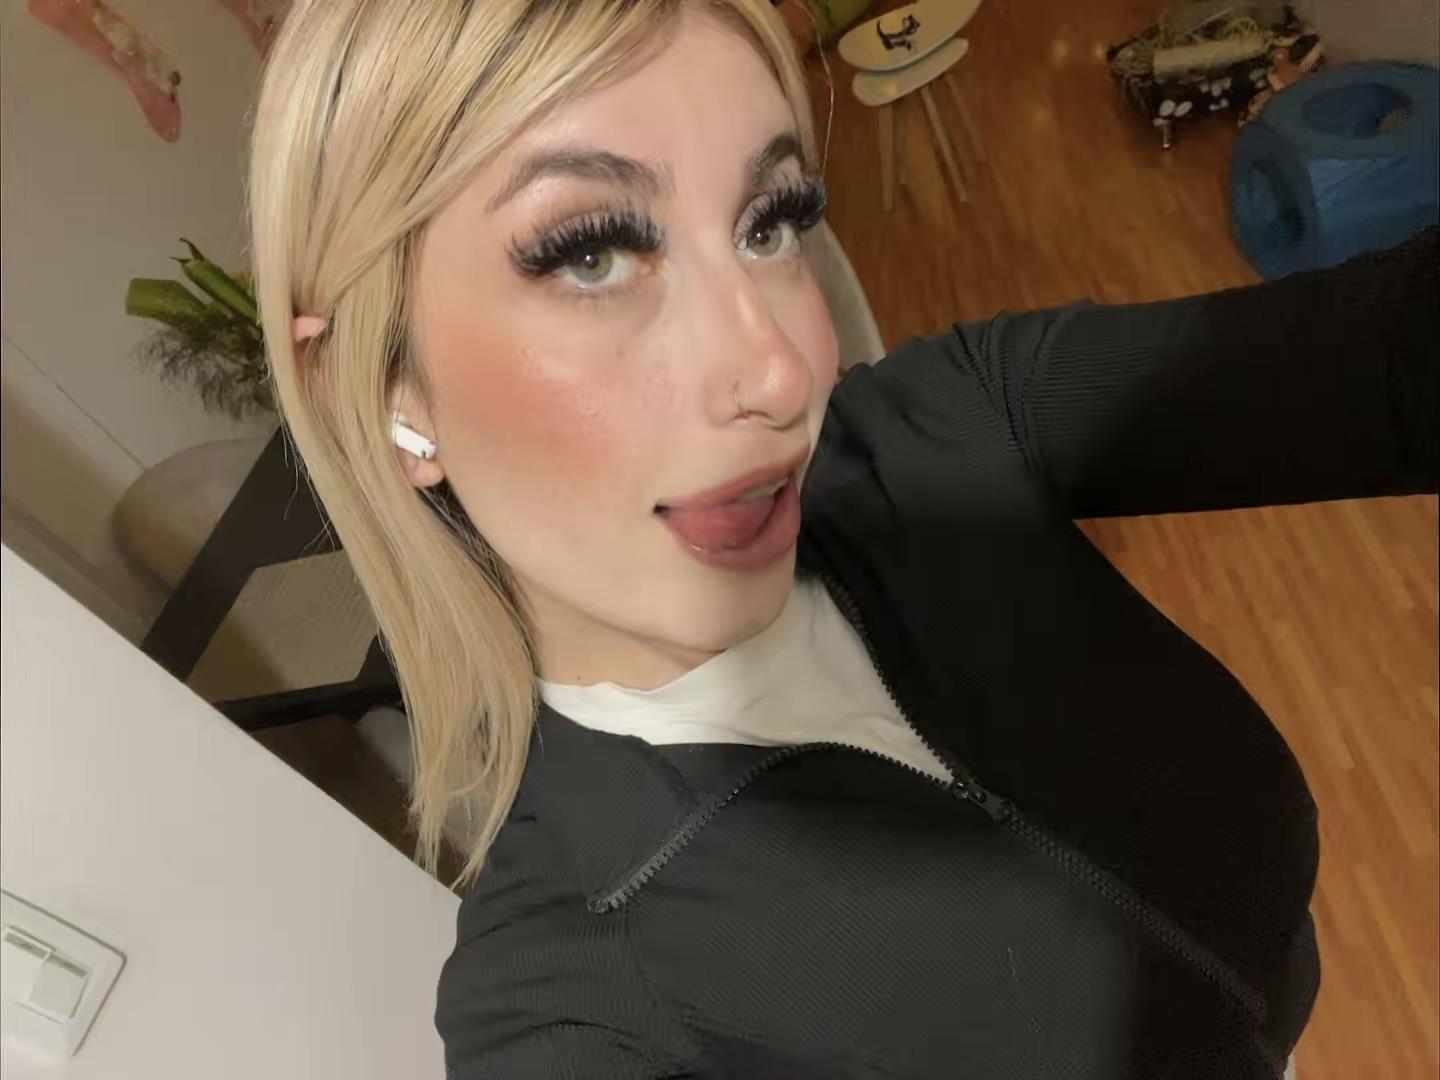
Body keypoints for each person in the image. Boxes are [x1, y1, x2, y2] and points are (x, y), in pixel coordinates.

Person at [247, 1, 1437, 1076]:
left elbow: (1390, 358)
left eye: (771, 224)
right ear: (386, 386)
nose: (779, 371)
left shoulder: (946, 423)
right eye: (593, 254)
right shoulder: (570, 999)